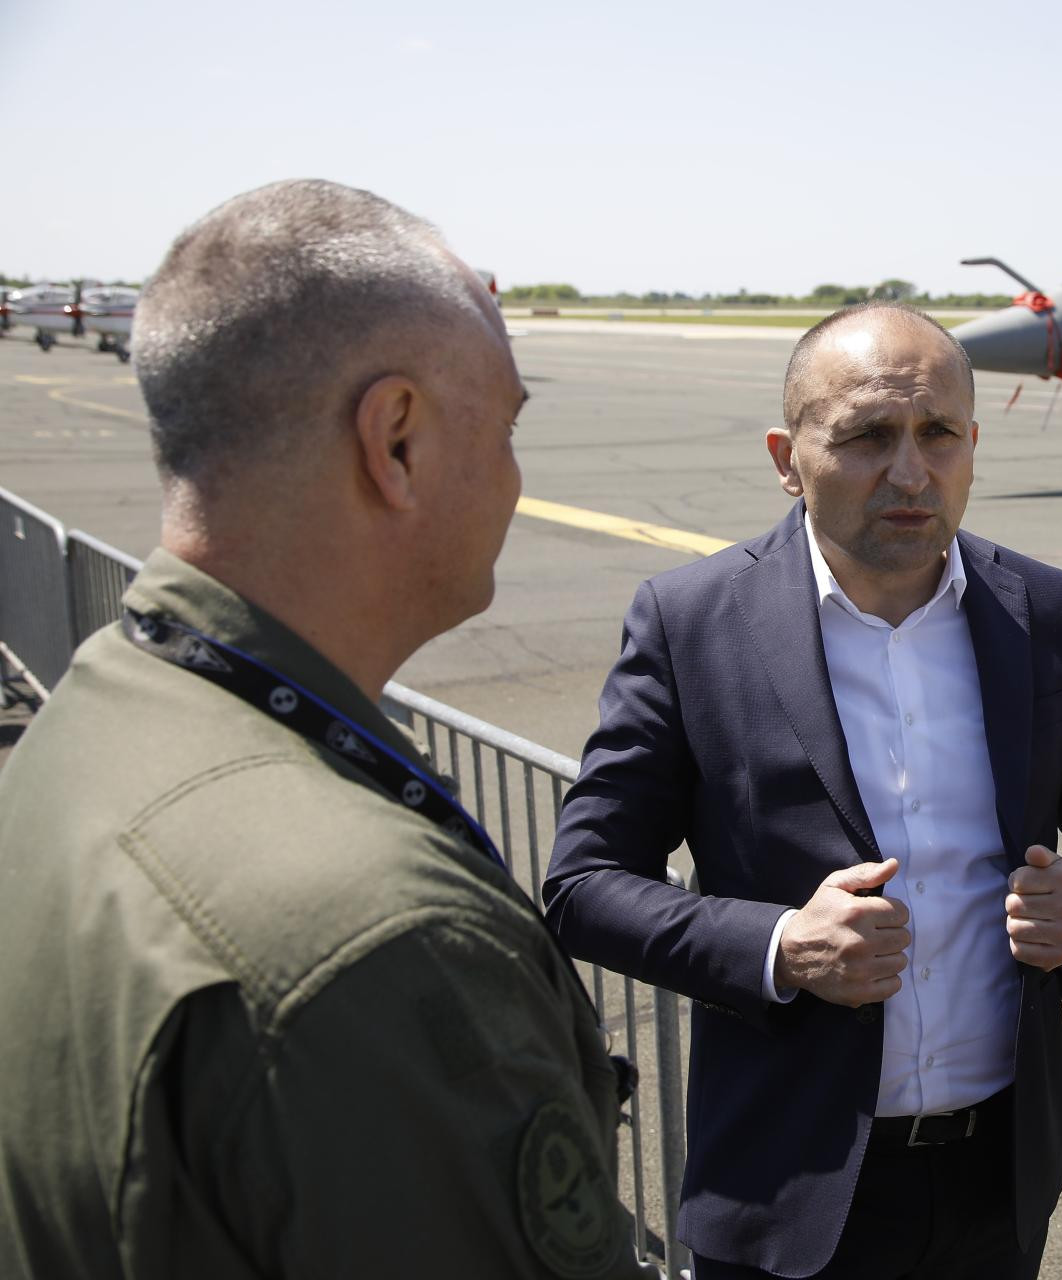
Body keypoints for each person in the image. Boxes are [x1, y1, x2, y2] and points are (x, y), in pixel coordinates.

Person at [0, 181, 643, 1279]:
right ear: (395, 441)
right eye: (505, 427)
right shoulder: (378, 932)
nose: (513, 476)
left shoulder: (97, 710)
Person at [545, 302, 1062, 1278]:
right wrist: (780, 947)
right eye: (869, 436)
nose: (912, 472)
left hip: (996, 1186)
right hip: (785, 1188)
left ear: (974, 444)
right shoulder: (693, 622)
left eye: (939, 433)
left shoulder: (1049, 613)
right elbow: (583, 882)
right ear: (787, 457)